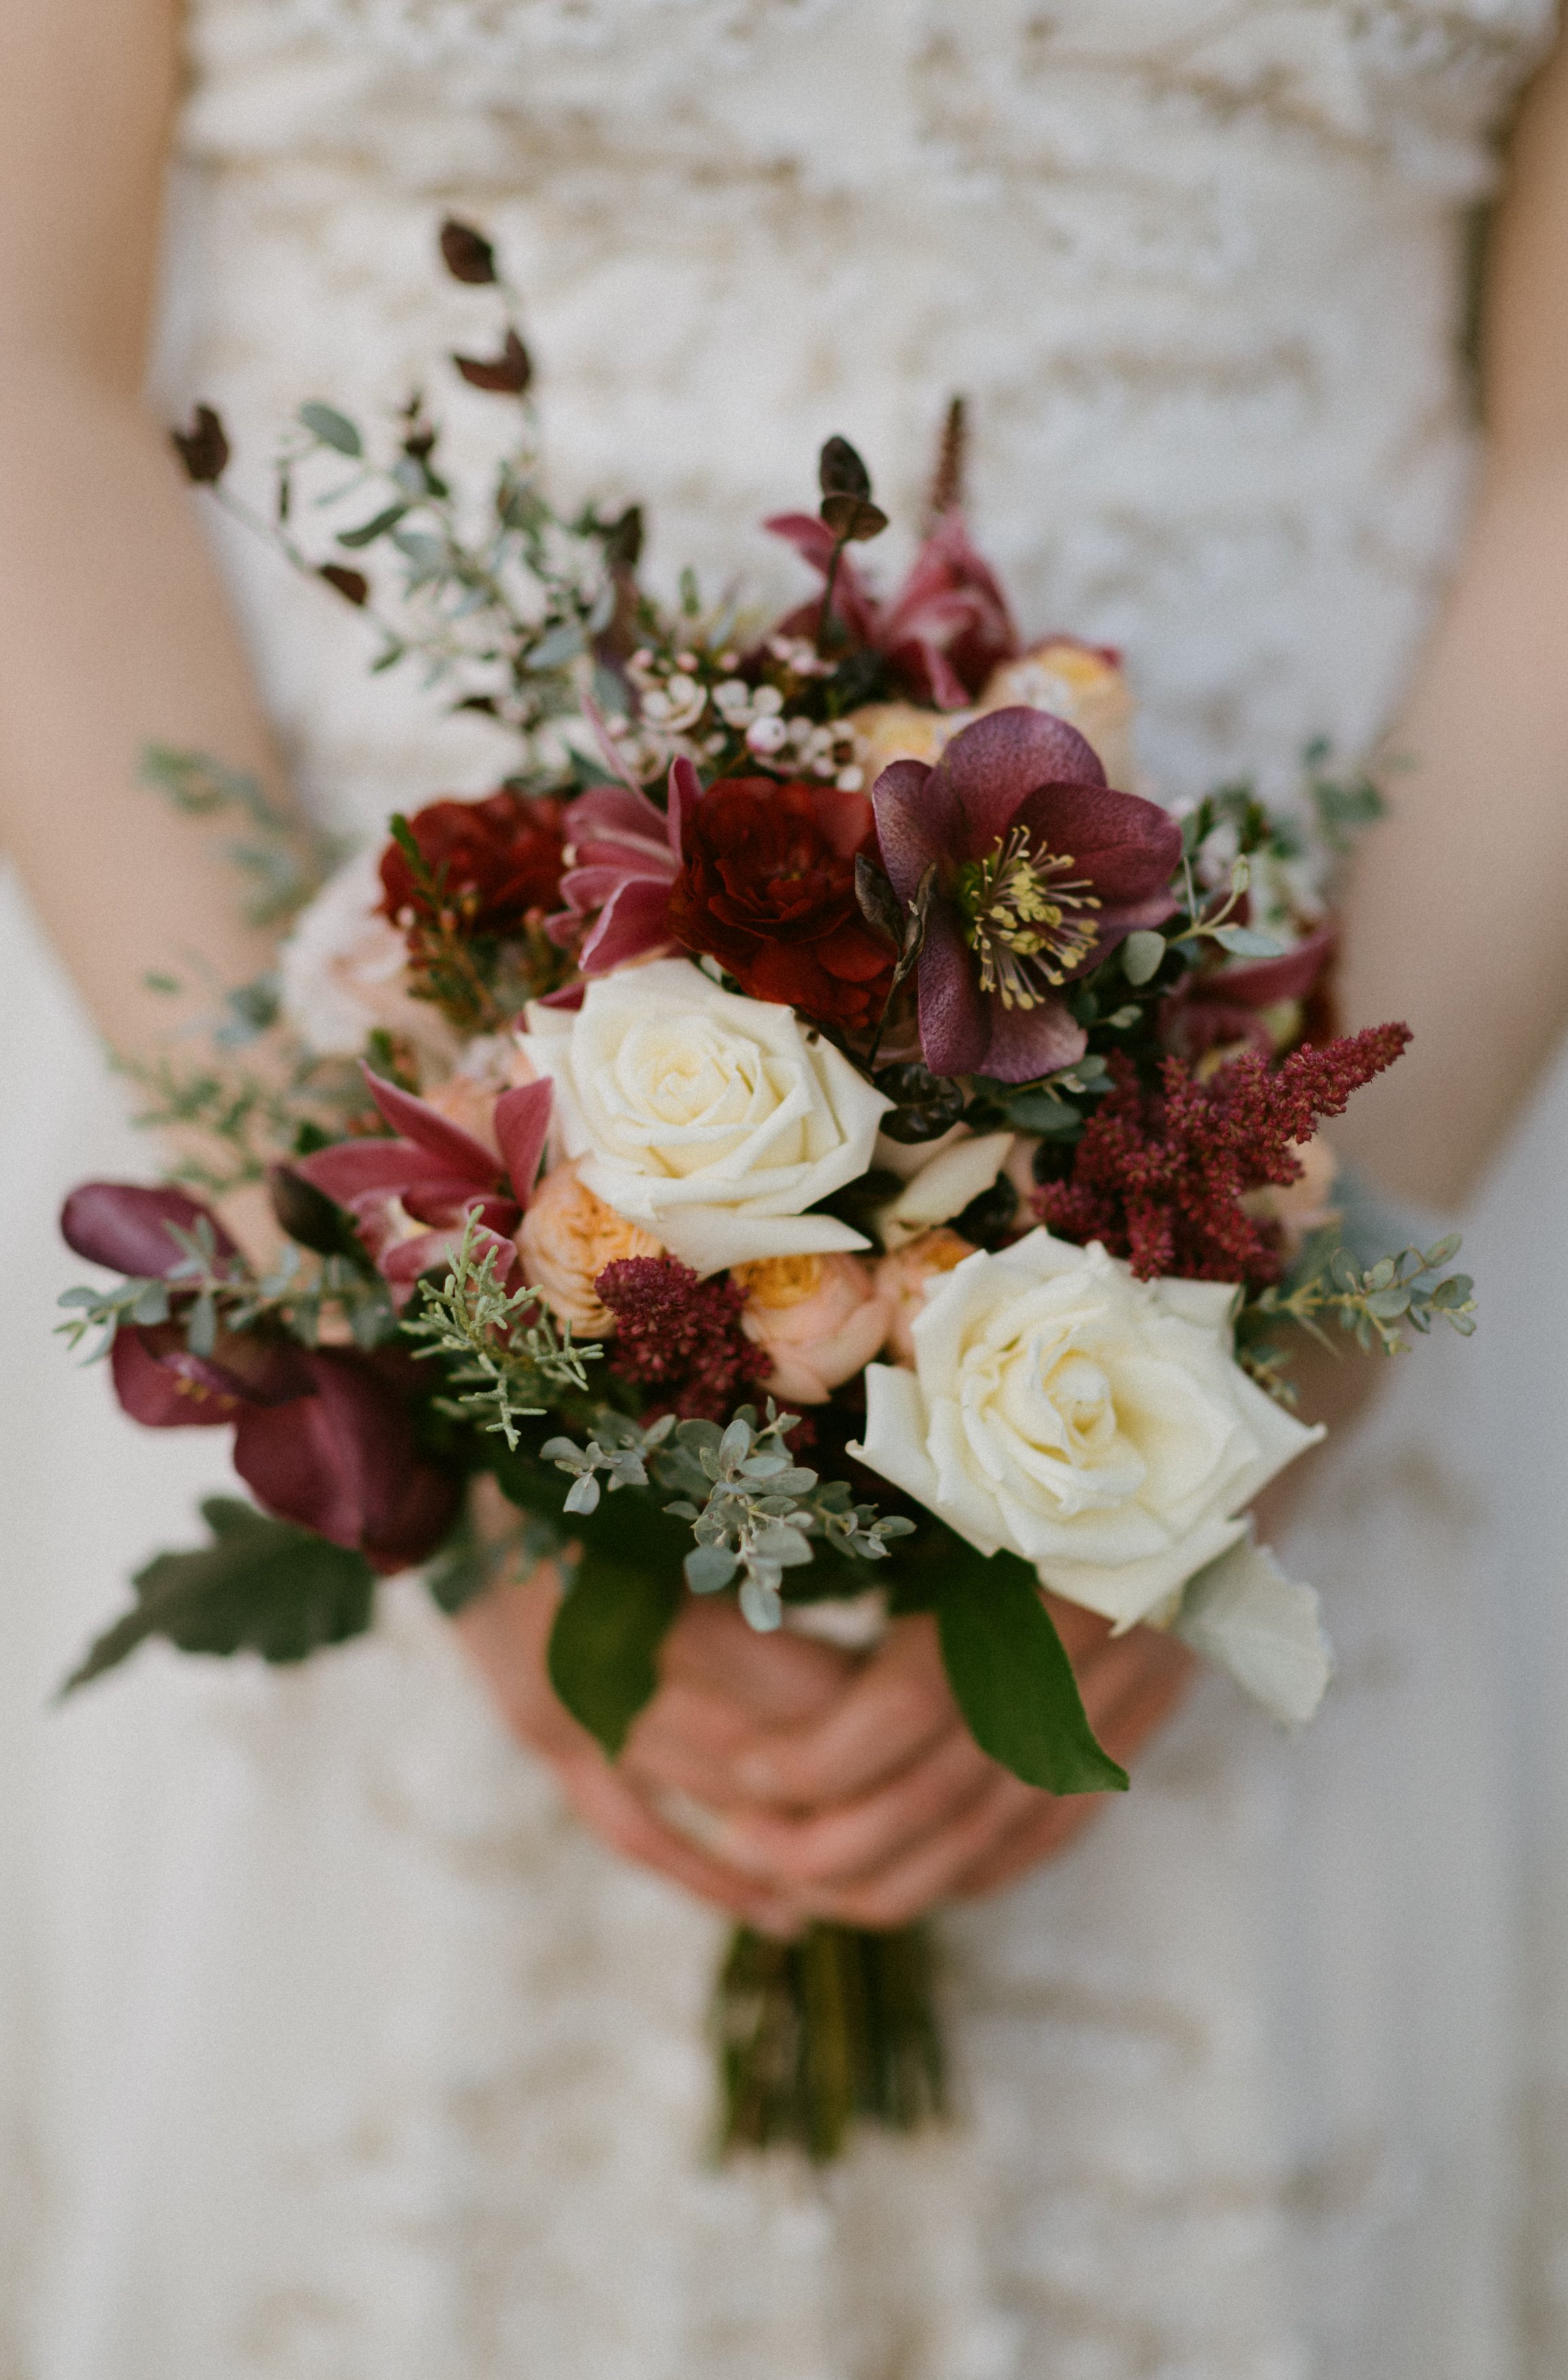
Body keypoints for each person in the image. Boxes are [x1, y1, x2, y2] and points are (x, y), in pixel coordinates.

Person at [0, 2, 1560, 2372]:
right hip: (374, 1110)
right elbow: (27, 372)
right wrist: (416, 1383)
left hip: (1340, 1162)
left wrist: (1233, 1404)